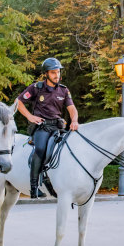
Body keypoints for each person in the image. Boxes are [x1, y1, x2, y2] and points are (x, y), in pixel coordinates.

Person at [16, 57, 79, 199]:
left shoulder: (64, 90)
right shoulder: (36, 88)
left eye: (58, 72)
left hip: (57, 127)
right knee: (40, 149)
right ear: (46, 74)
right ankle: (34, 187)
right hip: (42, 127)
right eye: (53, 73)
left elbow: (72, 109)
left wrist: (74, 120)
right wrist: (30, 117)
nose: (57, 75)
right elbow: (19, 102)